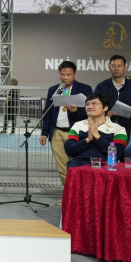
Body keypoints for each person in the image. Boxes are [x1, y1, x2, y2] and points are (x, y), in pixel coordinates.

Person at [40, 60, 92, 202]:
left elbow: (91, 112)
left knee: (78, 166)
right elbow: (47, 113)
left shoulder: (85, 89)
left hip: (76, 134)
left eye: (68, 74)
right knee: (63, 168)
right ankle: (68, 197)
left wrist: (77, 111)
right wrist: (44, 132)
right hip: (57, 133)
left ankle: (81, 197)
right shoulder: (54, 89)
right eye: (62, 74)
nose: (65, 77)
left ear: (75, 74)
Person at [64, 93, 127, 168]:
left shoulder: (118, 129)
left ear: (105, 108)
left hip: (105, 164)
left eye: (94, 104)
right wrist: (87, 140)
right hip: (79, 163)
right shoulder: (78, 125)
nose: (89, 107)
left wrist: (97, 136)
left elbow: (119, 153)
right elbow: (69, 150)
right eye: (87, 104)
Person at [93, 55, 131, 136]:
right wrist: (104, 114)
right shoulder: (102, 86)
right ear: (109, 68)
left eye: (119, 66)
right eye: (113, 66)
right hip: (106, 126)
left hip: (128, 127)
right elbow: (93, 104)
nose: (116, 68)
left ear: (125, 68)